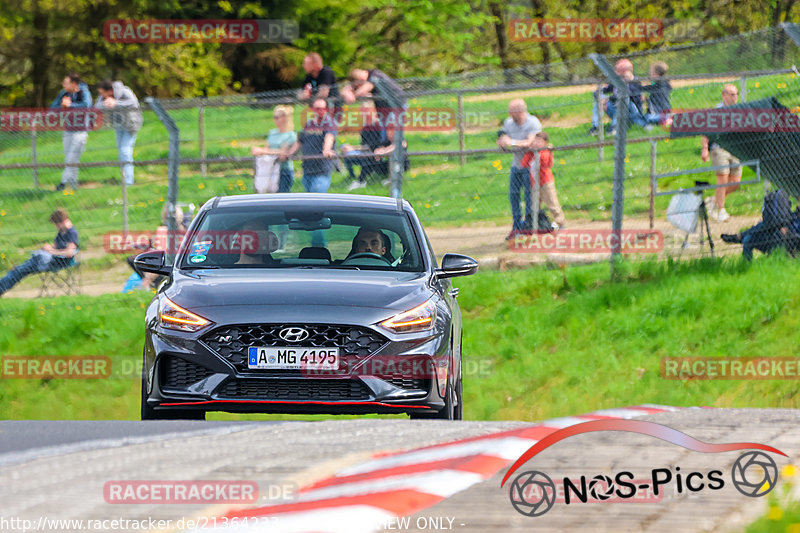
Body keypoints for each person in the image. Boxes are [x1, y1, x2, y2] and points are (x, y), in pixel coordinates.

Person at [286, 98, 337, 246]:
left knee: (317, 206)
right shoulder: (309, 124)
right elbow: (300, 142)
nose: (319, 111)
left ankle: (319, 243)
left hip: (321, 170)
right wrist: (289, 154)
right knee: (310, 206)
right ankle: (314, 241)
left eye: (322, 108)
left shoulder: (329, 123)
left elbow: (329, 137)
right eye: (317, 108)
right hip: (307, 170)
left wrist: (326, 150)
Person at [0, 209, 79, 297]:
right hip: (48, 259)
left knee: (19, 271)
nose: (56, 227)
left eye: (56, 224)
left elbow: (69, 253)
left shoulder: (72, 233)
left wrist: (52, 251)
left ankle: (1, 288)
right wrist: (48, 247)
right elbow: (56, 246)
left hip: (56, 263)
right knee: (18, 270)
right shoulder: (62, 232)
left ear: (62, 222)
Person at [497, 99, 542, 239]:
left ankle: (528, 227)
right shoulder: (508, 123)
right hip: (516, 165)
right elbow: (505, 137)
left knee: (529, 197)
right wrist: (503, 142)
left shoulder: (532, 122)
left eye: (512, 111)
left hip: (530, 167)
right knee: (514, 196)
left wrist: (512, 142)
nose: (509, 114)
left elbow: (530, 142)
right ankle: (516, 227)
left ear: (520, 111)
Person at [721, 189, 800, 260]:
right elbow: (788, 220)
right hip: (776, 236)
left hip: (789, 242)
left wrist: (789, 233)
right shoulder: (795, 214)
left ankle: (740, 236)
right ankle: (745, 267)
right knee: (748, 239)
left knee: (765, 225)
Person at [701, 84, 742, 222]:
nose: (734, 97)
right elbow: (705, 132)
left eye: (736, 94)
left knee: (735, 182)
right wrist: (705, 149)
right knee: (722, 178)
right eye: (731, 94)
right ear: (724, 95)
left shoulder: (739, 111)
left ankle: (713, 200)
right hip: (719, 148)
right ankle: (721, 210)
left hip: (735, 149)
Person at [125, 205, 185, 291]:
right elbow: (156, 244)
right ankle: (150, 282)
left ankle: (150, 283)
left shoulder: (164, 230)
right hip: (169, 261)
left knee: (142, 262)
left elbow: (162, 250)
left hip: (168, 263)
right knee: (134, 259)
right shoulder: (183, 229)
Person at [95, 79, 143, 186]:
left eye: (102, 93)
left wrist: (116, 103)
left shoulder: (125, 91)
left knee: (125, 150)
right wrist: (106, 104)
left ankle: (129, 182)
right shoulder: (104, 98)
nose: (101, 95)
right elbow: (96, 106)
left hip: (131, 125)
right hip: (118, 125)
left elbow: (134, 103)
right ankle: (124, 178)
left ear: (109, 91)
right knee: (121, 152)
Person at [51, 74, 92, 191]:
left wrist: (69, 106)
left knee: (71, 158)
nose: (63, 85)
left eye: (66, 82)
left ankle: (63, 184)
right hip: (68, 130)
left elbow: (86, 106)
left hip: (80, 131)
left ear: (74, 84)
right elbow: (53, 108)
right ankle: (74, 186)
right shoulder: (64, 93)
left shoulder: (84, 92)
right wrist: (63, 106)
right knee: (70, 159)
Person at [341, 100, 393, 191]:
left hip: (378, 155)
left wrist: (353, 148)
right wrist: (351, 148)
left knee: (367, 155)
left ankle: (361, 181)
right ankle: (351, 175)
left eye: (366, 110)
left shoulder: (377, 125)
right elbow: (365, 145)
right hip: (368, 151)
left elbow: (373, 146)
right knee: (343, 147)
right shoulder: (366, 126)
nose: (363, 112)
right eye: (362, 110)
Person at [520, 131, 566, 230]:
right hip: (535, 183)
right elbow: (524, 164)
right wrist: (529, 151)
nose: (536, 143)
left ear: (544, 143)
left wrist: (547, 151)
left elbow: (546, 164)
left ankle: (560, 223)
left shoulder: (544, 152)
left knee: (552, 203)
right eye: (535, 141)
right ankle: (537, 225)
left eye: (539, 141)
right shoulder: (531, 153)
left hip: (546, 182)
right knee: (535, 205)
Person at [589, 59, 648, 136]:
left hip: (630, 113)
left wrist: (609, 99)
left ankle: (615, 128)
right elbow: (606, 89)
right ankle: (596, 127)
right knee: (600, 97)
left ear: (625, 71)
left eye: (617, 69)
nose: (615, 71)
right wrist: (598, 94)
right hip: (614, 108)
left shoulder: (635, 82)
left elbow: (628, 96)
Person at [251, 105, 297, 193]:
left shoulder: (291, 135)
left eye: (277, 117)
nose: (274, 120)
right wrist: (262, 151)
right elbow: (267, 148)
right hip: (270, 168)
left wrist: (263, 151)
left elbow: (284, 152)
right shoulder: (272, 133)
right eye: (274, 117)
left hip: (283, 170)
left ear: (284, 118)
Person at [641, 61, 673, 126]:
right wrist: (646, 99)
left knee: (646, 118)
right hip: (666, 109)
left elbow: (644, 88)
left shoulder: (656, 85)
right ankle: (668, 118)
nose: (649, 73)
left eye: (651, 72)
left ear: (656, 74)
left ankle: (666, 119)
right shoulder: (665, 83)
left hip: (657, 111)